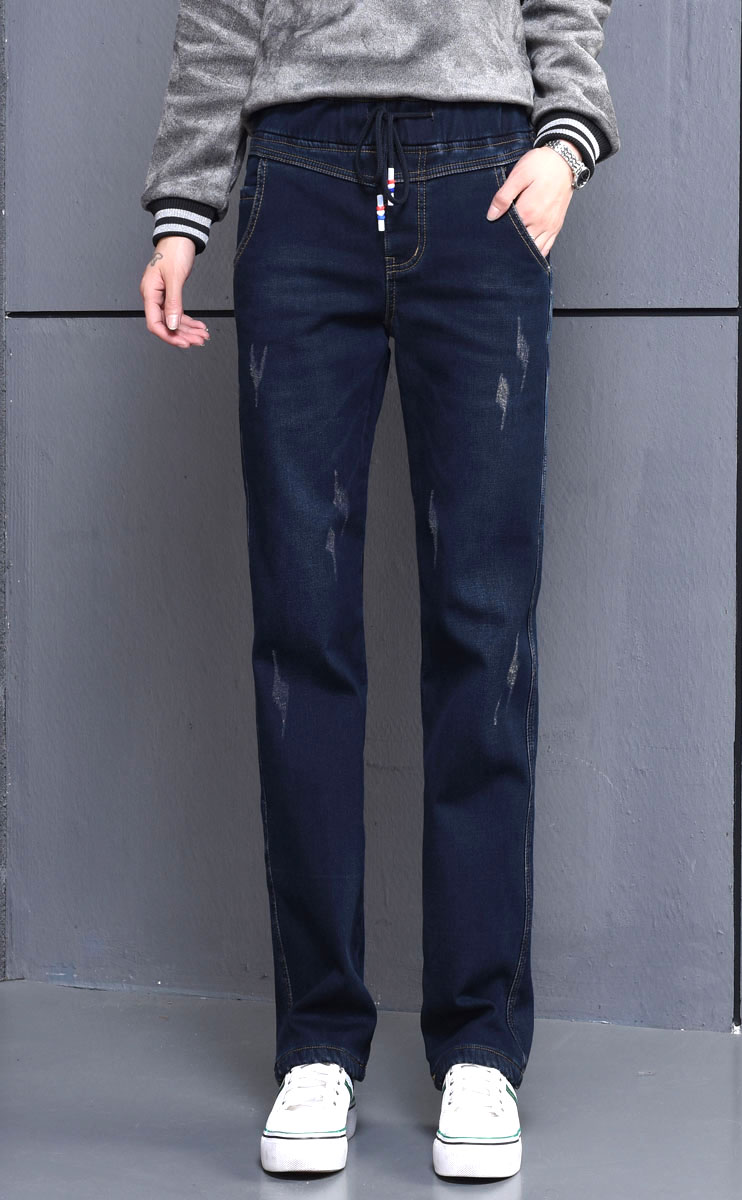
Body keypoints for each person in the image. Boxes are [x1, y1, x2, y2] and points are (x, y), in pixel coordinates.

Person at [139, 0, 620, 1181]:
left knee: (483, 631)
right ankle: (317, 1043)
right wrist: (183, 205)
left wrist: (563, 142)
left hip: (481, 173)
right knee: (301, 631)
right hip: (296, 177)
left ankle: (478, 1047)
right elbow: (220, 9)